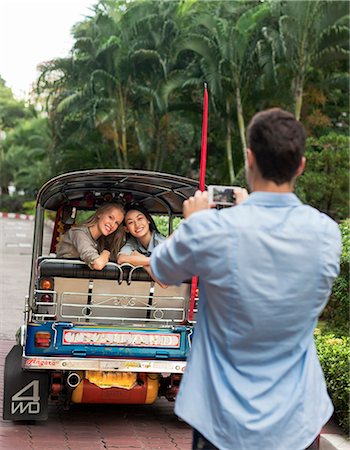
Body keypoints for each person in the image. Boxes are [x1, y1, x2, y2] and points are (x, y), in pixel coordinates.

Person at [150, 108, 341, 450]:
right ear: (301, 165)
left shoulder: (212, 230)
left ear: (249, 158)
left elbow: (161, 269)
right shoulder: (326, 233)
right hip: (297, 418)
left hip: (221, 422)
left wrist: (194, 222)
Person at [56, 202, 125, 270]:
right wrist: (106, 252)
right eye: (110, 217)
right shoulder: (78, 233)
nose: (112, 224)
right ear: (99, 214)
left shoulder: (101, 241)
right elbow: (98, 264)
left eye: (116, 223)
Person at [117, 203, 166, 286]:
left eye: (140, 218)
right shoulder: (133, 242)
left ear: (148, 220)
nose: (137, 225)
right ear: (126, 229)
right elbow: (121, 259)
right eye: (131, 222)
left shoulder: (162, 243)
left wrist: (139, 259)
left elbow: (164, 283)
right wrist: (149, 261)